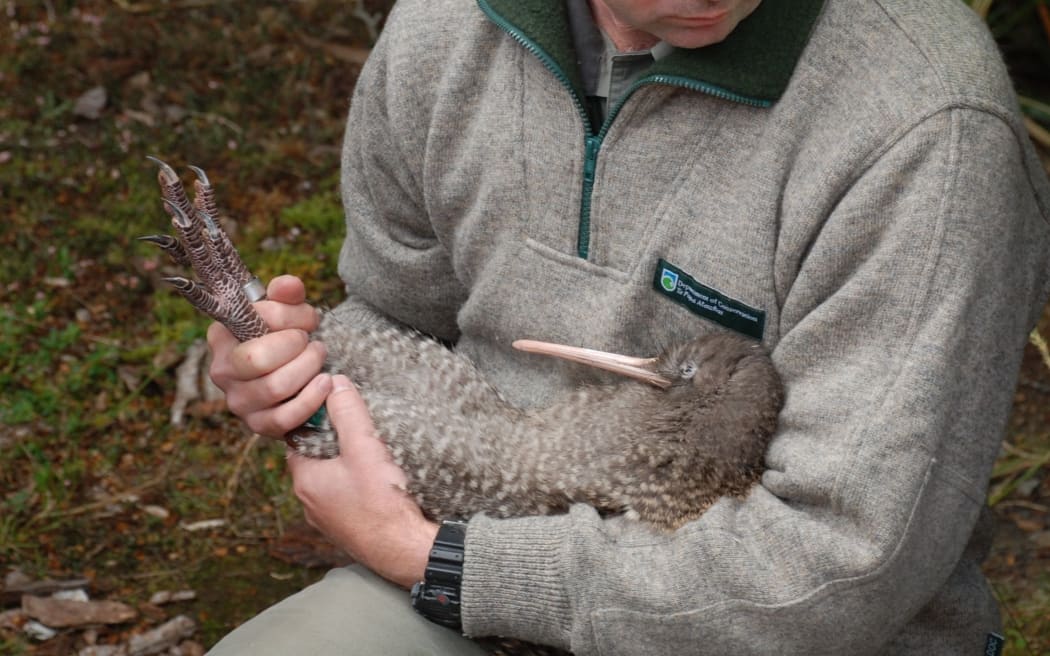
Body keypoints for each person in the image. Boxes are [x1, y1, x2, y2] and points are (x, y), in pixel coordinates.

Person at [204, 0, 1050, 653]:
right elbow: (396, 313)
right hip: (466, 568)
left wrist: (443, 564)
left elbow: (844, 566)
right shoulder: (446, 32)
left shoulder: (926, 130)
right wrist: (290, 368)